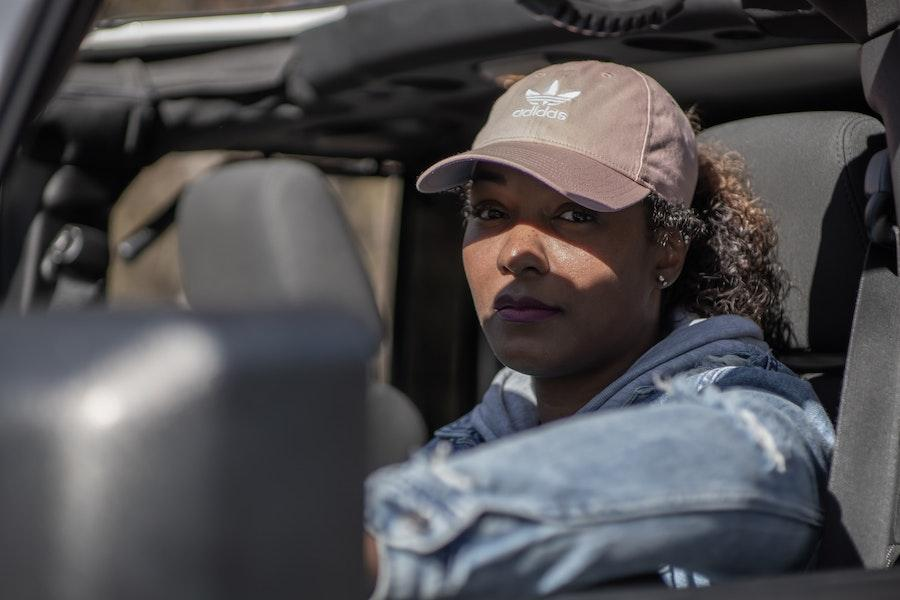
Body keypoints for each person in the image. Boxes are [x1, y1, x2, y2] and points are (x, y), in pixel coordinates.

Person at [364, 61, 834, 598]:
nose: (516, 252)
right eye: (490, 211)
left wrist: (395, 546)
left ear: (667, 252)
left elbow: (754, 462)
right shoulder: (473, 439)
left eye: (575, 214)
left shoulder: (743, 404)